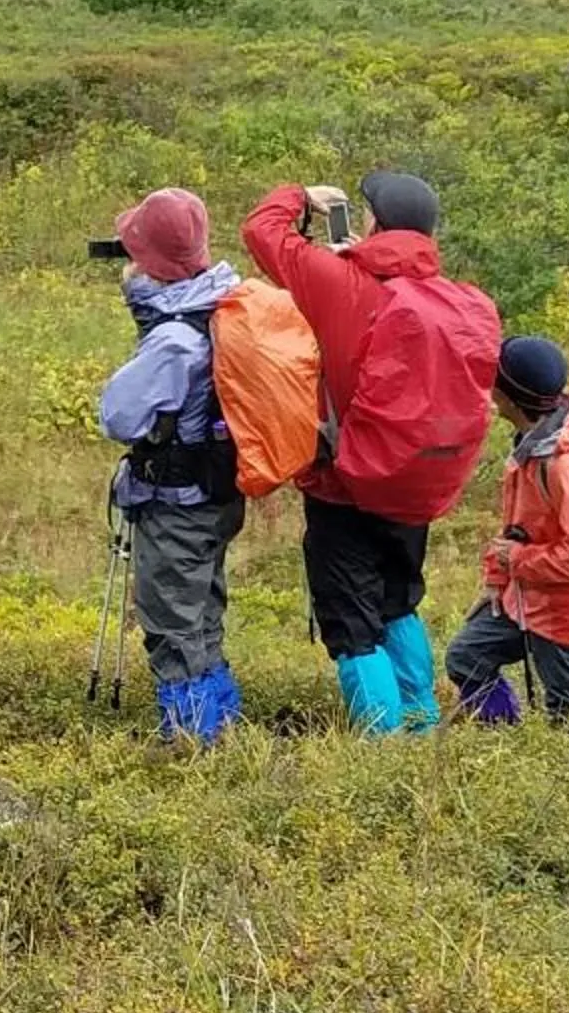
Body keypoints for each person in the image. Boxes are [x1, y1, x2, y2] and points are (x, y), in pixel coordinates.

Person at [241, 172, 501, 735]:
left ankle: (382, 742)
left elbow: (262, 230)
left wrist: (299, 197)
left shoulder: (336, 281)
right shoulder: (465, 301)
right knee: (398, 601)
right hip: (416, 484)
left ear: (375, 225)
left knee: (353, 621)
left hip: (343, 484)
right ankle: (421, 718)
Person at [95, 189, 246, 741]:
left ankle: (190, 738)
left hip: (178, 503)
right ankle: (220, 717)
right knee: (203, 609)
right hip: (218, 496)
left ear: (149, 262)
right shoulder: (221, 306)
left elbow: (119, 416)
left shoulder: (176, 339)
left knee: (171, 621)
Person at [448, 336, 569, 726]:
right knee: (467, 657)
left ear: (510, 396)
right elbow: (519, 529)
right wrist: (498, 577)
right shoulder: (534, 445)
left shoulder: (568, 465)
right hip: (525, 599)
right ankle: (502, 739)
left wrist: (520, 562)